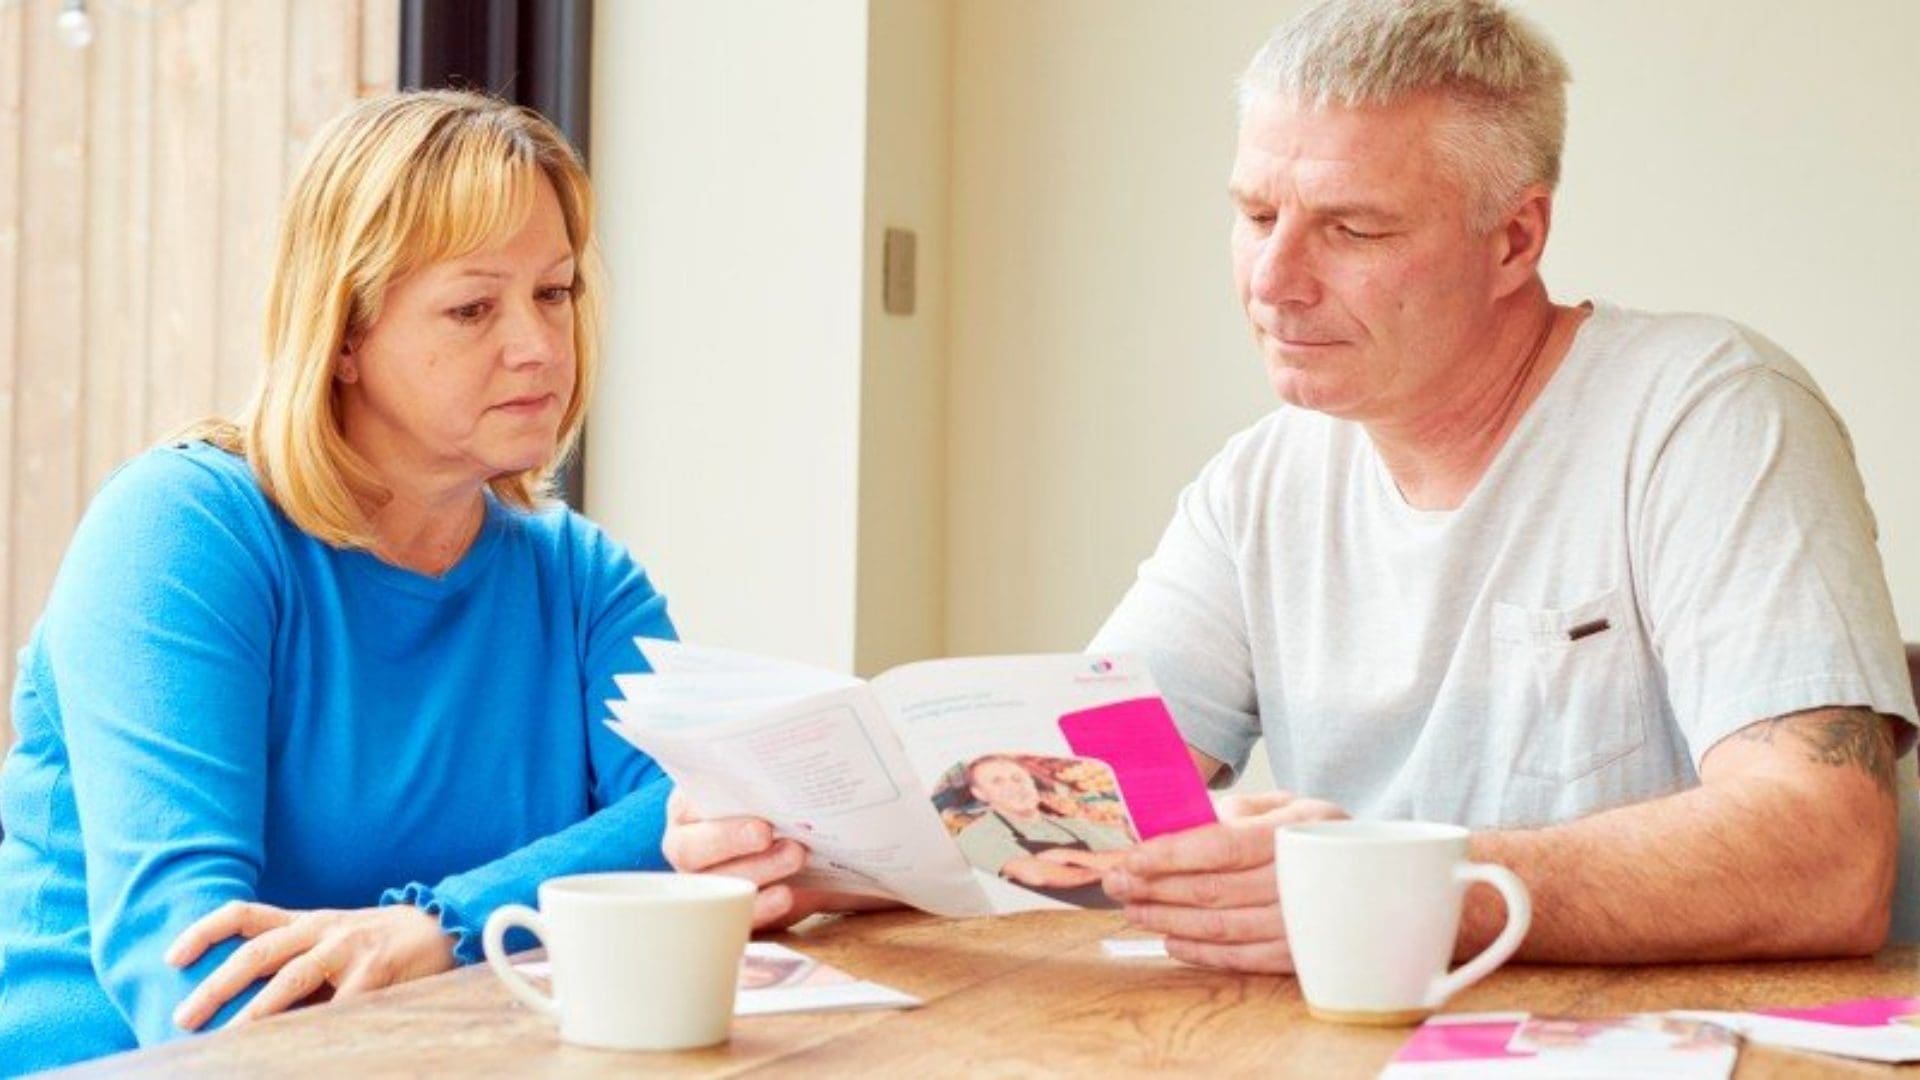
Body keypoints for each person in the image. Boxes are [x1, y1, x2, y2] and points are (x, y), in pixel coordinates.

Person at [663, 0, 1917, 971]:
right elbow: (1111, 802)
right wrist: (826, 854)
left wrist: (1400, 886)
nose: (1273, 281)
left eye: (1351, 229)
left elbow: (1825, 855)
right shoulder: (1260, 484)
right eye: (1254, 213)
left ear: (1515, 239)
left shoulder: (1708, 411)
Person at [0, 90, 678, 1073]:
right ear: (347, 333)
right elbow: (196, 986)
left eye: (556, 293)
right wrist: (510, 930)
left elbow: (704, 816)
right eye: (474, 306)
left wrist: (439, 930)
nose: (537, 345)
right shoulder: (182, 531)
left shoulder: (578, 577)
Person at [952, 755, 1132, 907]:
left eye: (1018, 778)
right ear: (980, 794)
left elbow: (1132, 857)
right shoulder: (977, 836)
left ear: (1031, 782)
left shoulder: (1076, 825)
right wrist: (1108, 870)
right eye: (997, 782)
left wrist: (1067, 855)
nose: (1015, 787)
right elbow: (1037, 875)